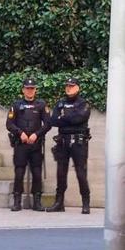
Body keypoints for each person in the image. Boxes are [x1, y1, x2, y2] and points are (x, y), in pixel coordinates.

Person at [5, 78, 51, 211]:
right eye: (27, 88)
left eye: (32, 88)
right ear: (23, 90)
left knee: (37, 173)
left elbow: (48, 124)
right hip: (21, 145)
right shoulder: (16, 104)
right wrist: (20, 133)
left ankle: (37, 202)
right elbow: (9, 124)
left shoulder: (41, 105)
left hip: (36, 145)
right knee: (19, 173)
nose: (30, 91)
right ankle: (17, 201)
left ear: (35, 90)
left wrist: (37, 134)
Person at [47, 77, 92, 214]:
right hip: (63, 141)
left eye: (72, 86)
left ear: (77, 88)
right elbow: (53, 120)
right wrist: (69, 118)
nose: (69, 88)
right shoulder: (60, 103)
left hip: (78, 142)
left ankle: (85, 203)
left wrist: (64, 118)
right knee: (61, 173)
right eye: (67, 86)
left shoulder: (83, 103)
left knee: (81, 173)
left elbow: (80, 118)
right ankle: (59, 203)